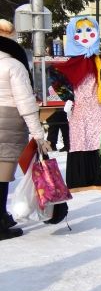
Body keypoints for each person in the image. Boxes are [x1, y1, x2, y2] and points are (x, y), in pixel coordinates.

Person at [0, 19, 52, 240]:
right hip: (7, 123)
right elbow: (26, 104)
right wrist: (39, 135)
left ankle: (2, 216)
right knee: (2, 176)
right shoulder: (14, 65)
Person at [53, 15, 101, 188]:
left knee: (98, 141)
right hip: (80, 111)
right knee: (80, 141)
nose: (85, 35)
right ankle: (81, 179)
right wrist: (68, 98)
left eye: (90, 30)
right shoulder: (70, 65)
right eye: (79, 31)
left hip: (100, 110)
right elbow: (57, 81)